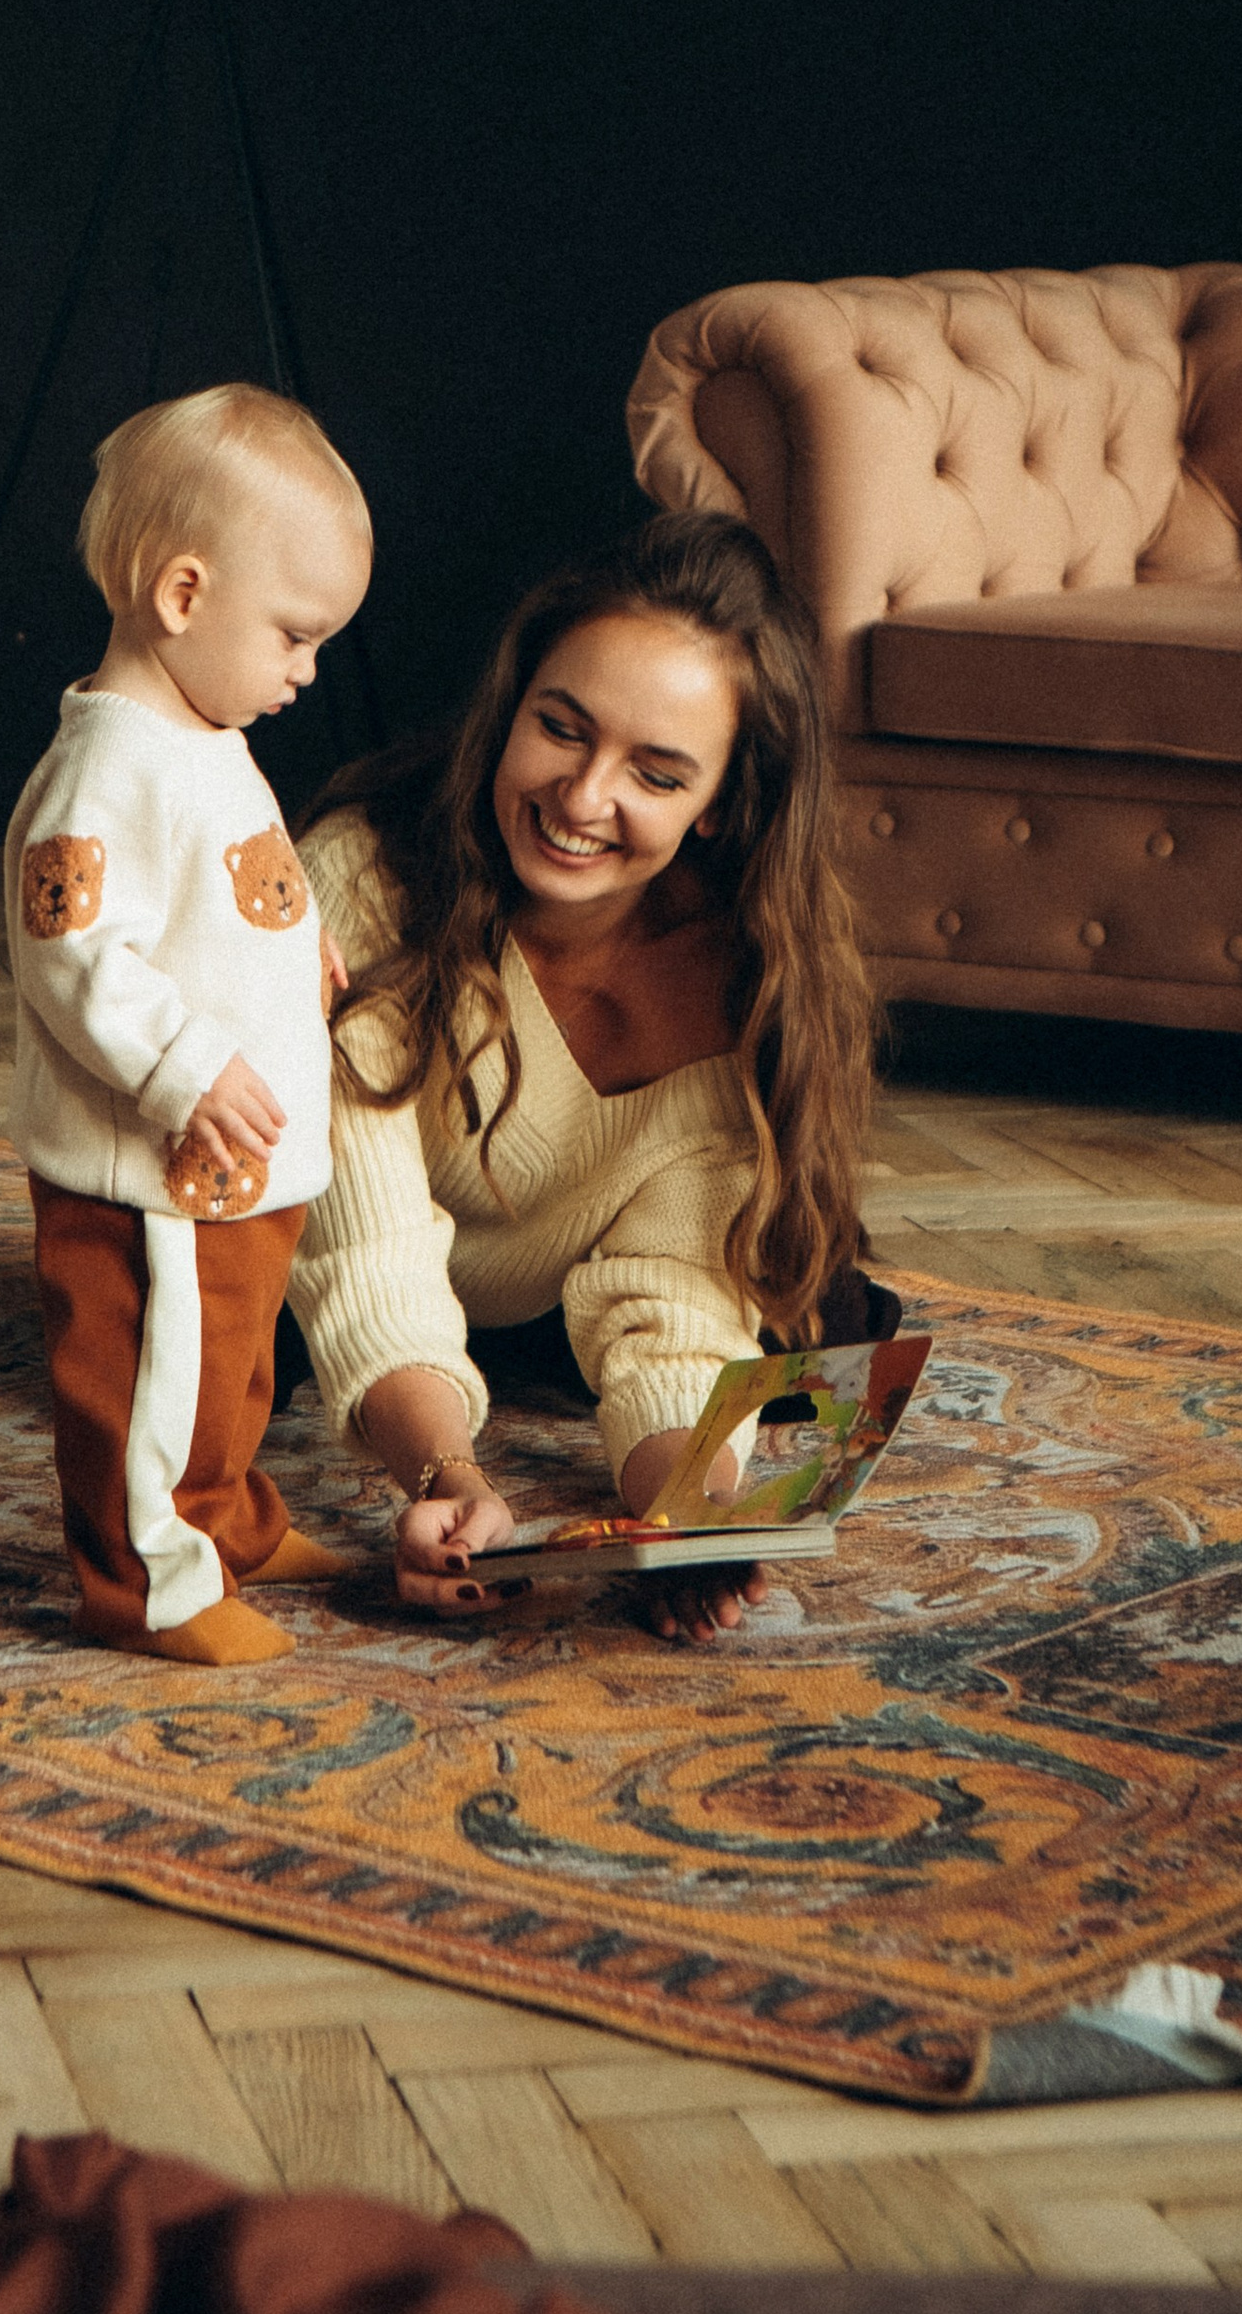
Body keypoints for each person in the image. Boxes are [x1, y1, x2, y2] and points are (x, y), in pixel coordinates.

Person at [290, 508, 882, 1645]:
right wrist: (442, 1481)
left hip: (541, 1290)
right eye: (561, 729)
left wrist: (691, 1511)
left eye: (655, 774)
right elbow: (359, 1250)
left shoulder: (748, 987)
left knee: (814, 1304)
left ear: (721, 804)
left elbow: (667, 1308)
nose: (580, 797)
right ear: (510, 705)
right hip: (324, 1252)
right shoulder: (359, 881)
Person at [5, 383, 371, 1663]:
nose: (303, 672)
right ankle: (145, 1584)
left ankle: (225, 1521)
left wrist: (298, 935)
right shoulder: (106, 764)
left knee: (228, 1373)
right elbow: (72, 950)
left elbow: (226, 871)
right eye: (293, 635)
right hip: (149, 1175)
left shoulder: (200, 729)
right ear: (182, 596)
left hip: (231, 1169)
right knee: (148, 1391)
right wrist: (181, 1063)